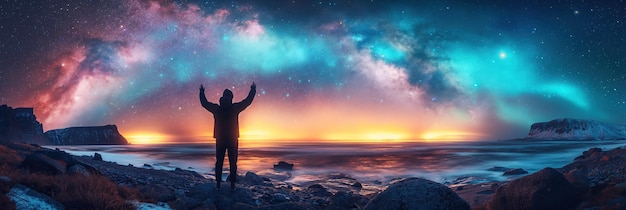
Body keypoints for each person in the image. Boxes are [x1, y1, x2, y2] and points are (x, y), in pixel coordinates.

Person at [199, 82, 256, 191]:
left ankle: (218, 184)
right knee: (233, 163)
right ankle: (232, 185)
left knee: (219, 162)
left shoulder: (216, 108)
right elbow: (247, 101)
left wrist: (201, 92)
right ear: (231, 97)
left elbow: (204, 103)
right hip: (232, 139)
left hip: (220, 139)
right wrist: (253, 90)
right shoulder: (235, 108)